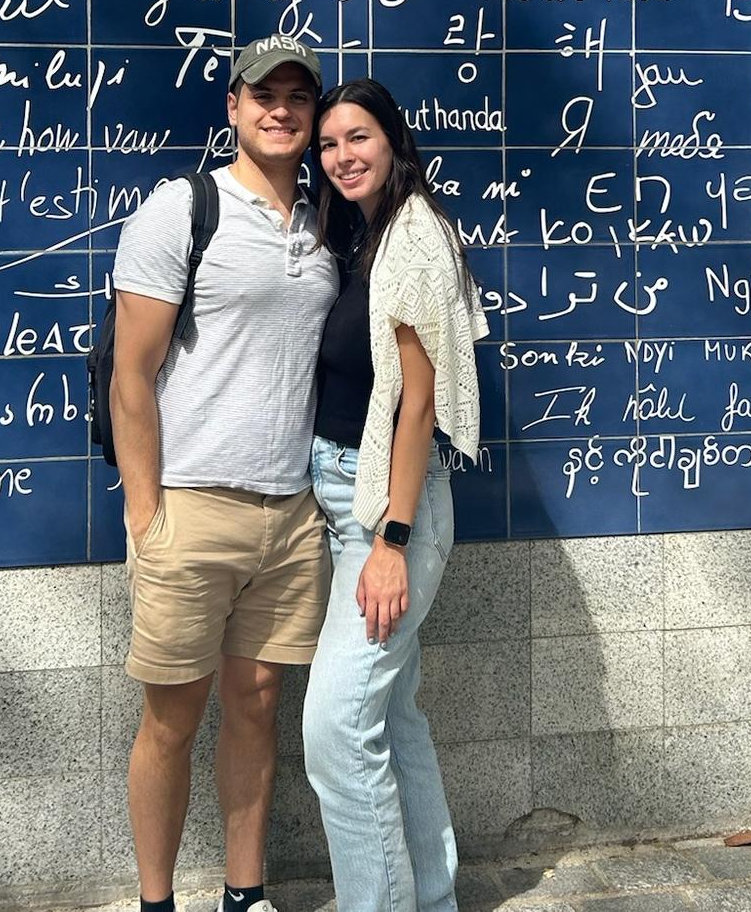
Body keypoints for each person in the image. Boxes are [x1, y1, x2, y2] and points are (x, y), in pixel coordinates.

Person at [109, 35, 339, 912]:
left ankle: (245, 895)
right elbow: (132, 371)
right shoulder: (183, 209)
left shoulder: (328, 225)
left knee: (257, 705)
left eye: (297, 96)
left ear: (313, 114)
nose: (280, 109)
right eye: (262, 95)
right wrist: (146, 510)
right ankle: (157, 903)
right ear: (233, 109)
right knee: (172, 718)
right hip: (191, 505)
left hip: (292, 513)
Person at [302, 77, 489, 912]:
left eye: (358, 138)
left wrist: (391, 540)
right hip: (353, 500)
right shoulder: (367, 234)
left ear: (393, 141)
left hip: (385, 511)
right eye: (329, 143)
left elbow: (420, 403)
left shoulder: (411, 239)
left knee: (336, 731)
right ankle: (433, 898)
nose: (342, 156)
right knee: (393, 720)